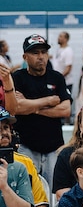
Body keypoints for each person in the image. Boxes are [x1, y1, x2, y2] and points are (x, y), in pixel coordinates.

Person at [12, 34, 72, 186]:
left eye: (43, 52)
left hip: (53, 147)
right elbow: (16, 108)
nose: (41, 57)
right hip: (26, 146)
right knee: (27, 190)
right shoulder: (17, 78)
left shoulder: (57, 77)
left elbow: (65, 110)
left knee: (54, 191)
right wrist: (48, 101)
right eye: (35, 53)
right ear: (25, 56)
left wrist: (32, 107)